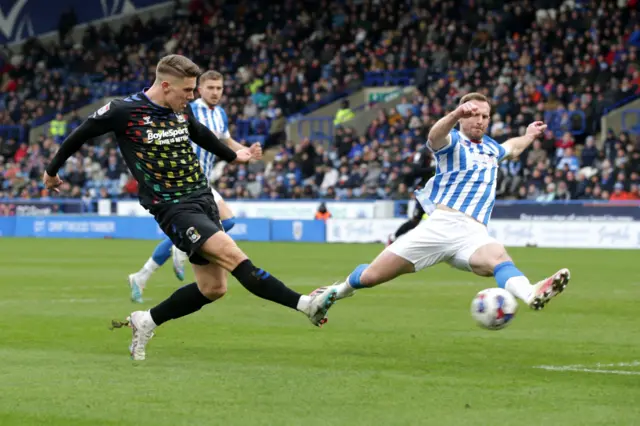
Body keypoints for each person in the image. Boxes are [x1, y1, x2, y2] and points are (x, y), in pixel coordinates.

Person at [43, 54, 337, 361]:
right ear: (166, 86)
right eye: (188, 90)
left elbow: (200, 134)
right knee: (233, 255)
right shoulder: (124, 110)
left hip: (202, 198)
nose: (193, 96)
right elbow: (79, 135)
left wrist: (233, 156)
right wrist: (52, 172)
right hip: (173, 207)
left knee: (213, 288)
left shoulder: (181, 111)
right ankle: (306, 305)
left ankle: (146, 320)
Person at [313, 92, 570, 316]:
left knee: (498, 257)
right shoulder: (454, 143)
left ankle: (530, 293)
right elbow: (434, 136)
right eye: (474, 114)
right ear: (462, 118)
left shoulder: (491, 148)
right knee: (370, 277)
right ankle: (336, 291)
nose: (480, 120)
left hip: (473, 233)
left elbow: (512, 148)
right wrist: (455, 113)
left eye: (485, 116)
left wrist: (529, 135)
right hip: (441, 226)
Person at [127, 70, 263, 304]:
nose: (215, 93)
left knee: (223, 223)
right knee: (225, 223)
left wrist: (247, 152)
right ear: (199, 89)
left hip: (204, 183)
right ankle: (153, 267)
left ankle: (143, 274)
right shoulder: (188, 107)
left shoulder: (219, 113)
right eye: (210, 88)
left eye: (219, 88)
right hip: (184, 182)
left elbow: (225, 141)